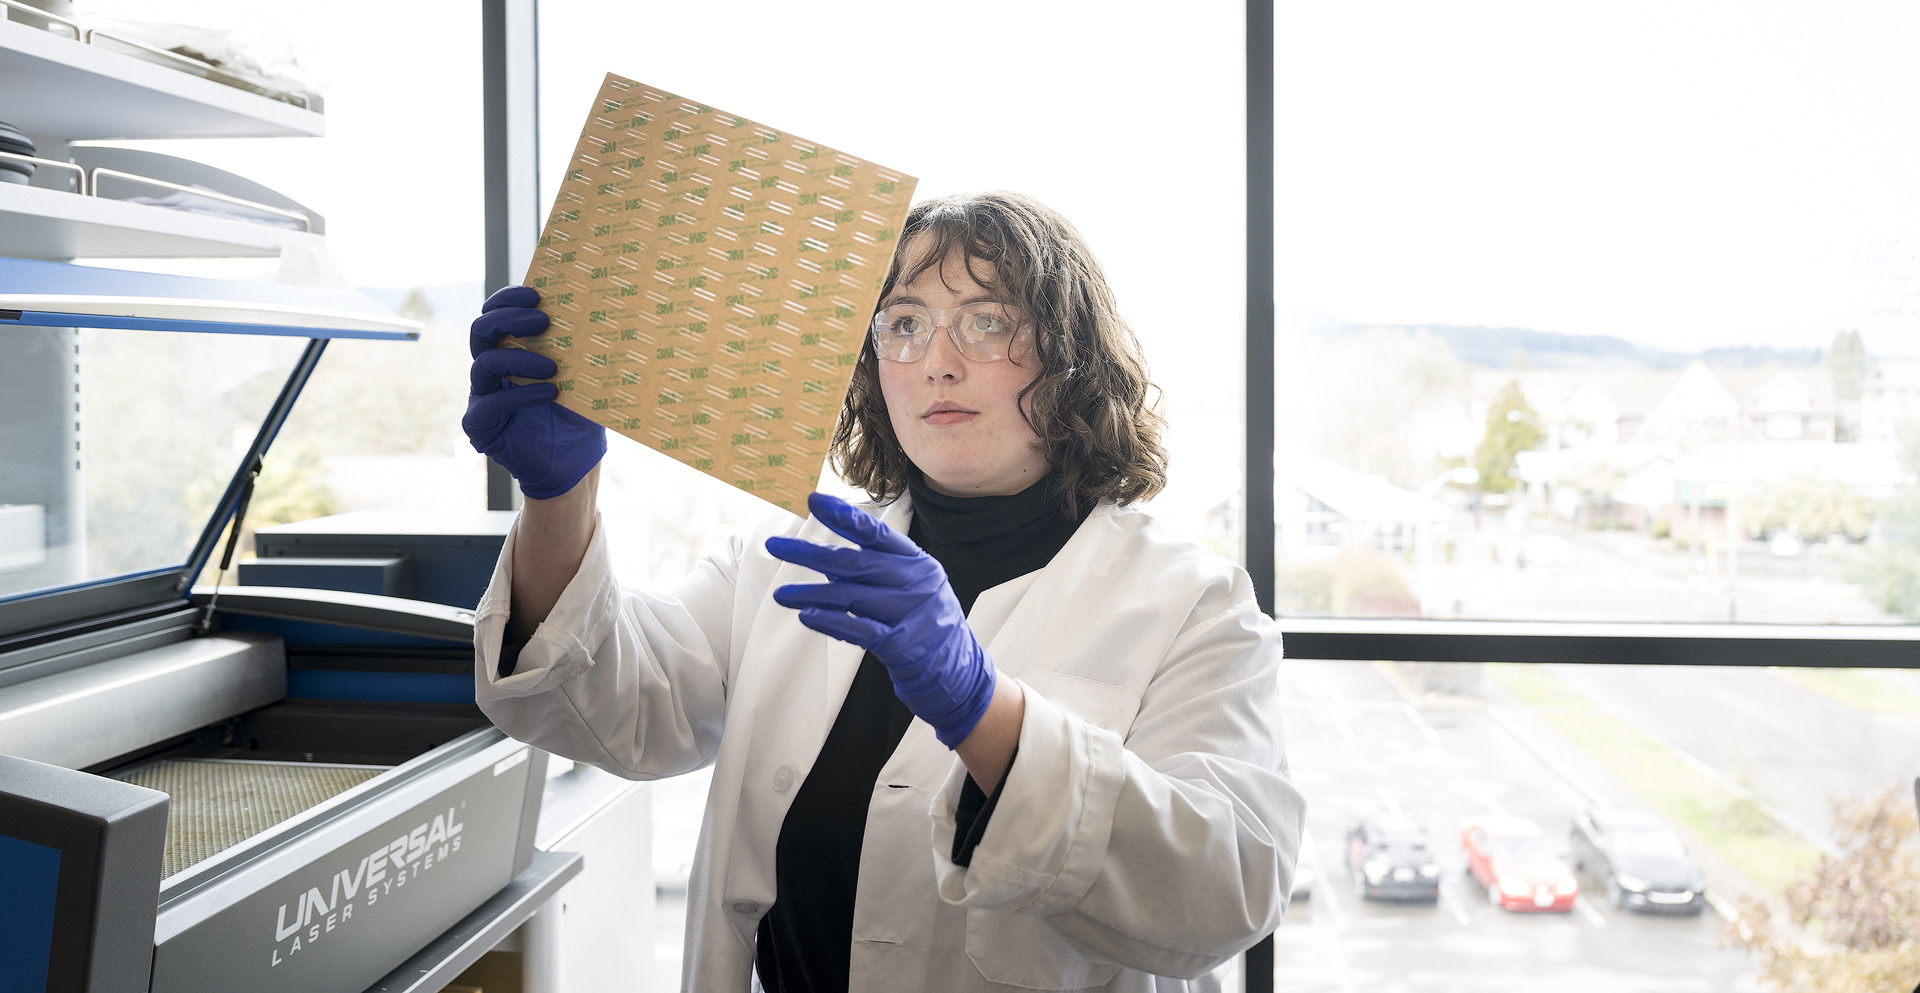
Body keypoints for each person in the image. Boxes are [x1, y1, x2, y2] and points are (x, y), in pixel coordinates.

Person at [463, 190, 1305, 991]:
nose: (938, 362)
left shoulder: (1191, 604)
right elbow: (610, 710)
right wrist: (559, 493)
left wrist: (982, 710)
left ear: (1075, 358)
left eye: (987, 321)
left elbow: (1226, 886)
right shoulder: (791, 556)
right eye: (903, 324)